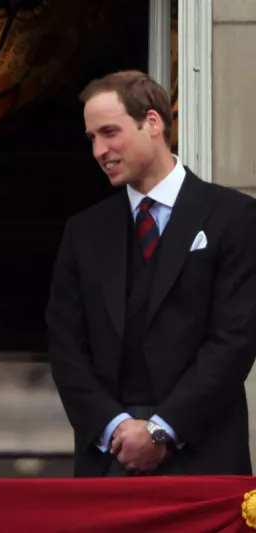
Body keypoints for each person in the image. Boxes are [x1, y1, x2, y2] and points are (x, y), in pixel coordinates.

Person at [46, 70, 256, 477]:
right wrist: (115, 428)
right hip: (108, 454)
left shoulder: (235, 217)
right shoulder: (83, 230)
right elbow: (65, 343)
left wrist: (162, 430)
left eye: (109, 132)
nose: (99, 150)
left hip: (204, 454)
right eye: (92, 138)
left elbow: (235, 339)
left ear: (153, 123)